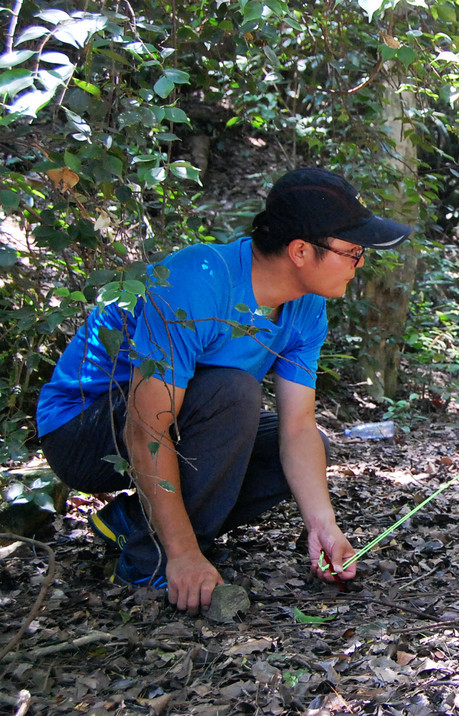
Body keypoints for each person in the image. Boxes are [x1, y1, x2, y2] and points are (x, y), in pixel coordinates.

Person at [35, 167, 411, 614]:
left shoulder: (306, 307)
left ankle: (132, 523)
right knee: (234, 392)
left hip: (177, 419)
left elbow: (297, 427)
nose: (360, 263)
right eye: (352, 252)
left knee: (289, 448)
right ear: (300, 251)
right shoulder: (199, 279)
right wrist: (182, 554)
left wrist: (323, 525)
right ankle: (151, 558)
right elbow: (145, 430)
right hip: (83, 429)